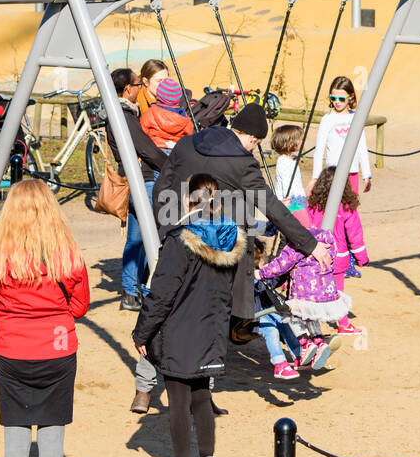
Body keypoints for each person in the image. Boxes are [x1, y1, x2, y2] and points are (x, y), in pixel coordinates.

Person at [137, 104, 331, 414]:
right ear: (253, 138)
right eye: (256, 143)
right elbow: (272, 207)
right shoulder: (243, 164)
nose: (254, 148)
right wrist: (309, 245)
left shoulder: (189, 142)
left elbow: (164, 183)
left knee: (166, 305)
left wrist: (166, 227)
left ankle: (144, 388)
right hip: (219, 251)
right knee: (210, 318)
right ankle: (202, 395)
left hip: (180, 237)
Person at [0, 179, 90, 457]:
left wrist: (18, 310)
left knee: (16, 444)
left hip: (13, 352)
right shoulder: (68, 255)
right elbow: (79, 307)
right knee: (52, 442)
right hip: (57, 350)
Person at [132, 173, 243, 457]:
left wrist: (142, 333)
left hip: (181, 329)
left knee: (178, 400)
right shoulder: (230, 236)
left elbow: (162, 293)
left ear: (189, 200)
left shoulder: (180, 239)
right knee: (201, 396)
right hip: (211, 330)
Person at [105, 68, 168, 312]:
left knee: (136, 238)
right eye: (136, 85)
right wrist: (170, 165)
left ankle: (132, 290)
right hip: (141, 180)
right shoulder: (123, 115)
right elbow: (145, 149)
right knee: (148, 236)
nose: (139, 89)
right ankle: (139, 288)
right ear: (128, 89)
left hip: (133, 179)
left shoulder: (120, 112)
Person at [256, 208, 348, 371]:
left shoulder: (298, 246)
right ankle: (318, 342)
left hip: (305, 293)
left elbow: (280, 266)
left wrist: (261, 273)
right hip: (326, 293)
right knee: (310, 316)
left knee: (289, 315)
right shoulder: (326, 240)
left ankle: (305, 344)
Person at [304, 166, 367, 335]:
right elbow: (355, 234)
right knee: (338, 292)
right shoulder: (346, 207)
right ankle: (343, 324)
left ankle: (312, 326)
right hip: (338, 257)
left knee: (314, 290)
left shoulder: (312, 206)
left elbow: (306, 227)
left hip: (316, 255)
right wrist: (362, 257)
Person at [251, 239, 304, 380]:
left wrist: (283, 272)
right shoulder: (241, 276)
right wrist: (261, 276)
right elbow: (259, 287)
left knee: (283, 322)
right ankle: (280, 363)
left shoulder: (257, 272)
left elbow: (270, 283)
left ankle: (299, 355)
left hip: (266, 311)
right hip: (250, 316)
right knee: (271, 330)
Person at [310, 76, 371, 195]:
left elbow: (362, 146)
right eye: (333, 98)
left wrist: (366, 174)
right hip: (333, 173)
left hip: (352, 171)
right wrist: (316, 177)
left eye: (341, 99)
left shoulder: (356, 117)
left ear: (351, 96)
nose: (337, 102)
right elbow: (319, 149)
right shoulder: (327, 119)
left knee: (351, 207)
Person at [140, 76, 192, 152]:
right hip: (177, 148)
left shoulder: (151, 112)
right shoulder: (183, 115)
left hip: (157, 148)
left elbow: (143, 129)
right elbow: (189, 131)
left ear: (158, 95)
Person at [270, 124, 306, 211]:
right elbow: (287, 185)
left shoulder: (289, 160)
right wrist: (293, 206)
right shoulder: (284, 162)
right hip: (292, 203)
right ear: (290, 144)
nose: (301, 142)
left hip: (297, 200)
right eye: (299, 140)